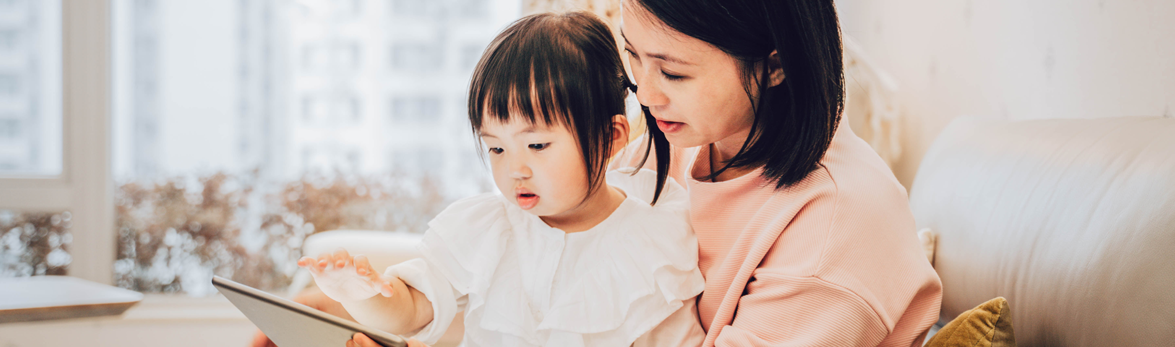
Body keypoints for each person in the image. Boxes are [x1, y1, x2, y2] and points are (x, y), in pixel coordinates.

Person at [268, 11, 707, 347]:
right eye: (496, 148)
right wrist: (359, 294)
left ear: (611, 137)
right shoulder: (485, 228)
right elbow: (413, 311)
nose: (514, 168)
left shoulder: (654, 233)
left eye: (537, 146)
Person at [613, 0, 943, 346]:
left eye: (674, 73)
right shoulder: (687, 136)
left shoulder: (833, 226)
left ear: (775, 65)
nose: (645, 95)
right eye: (633, 54)